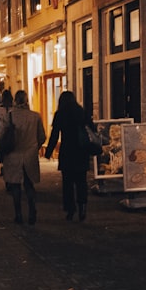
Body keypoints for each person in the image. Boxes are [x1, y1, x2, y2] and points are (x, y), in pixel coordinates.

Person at [44, 90, 96, 222]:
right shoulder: (81, 111)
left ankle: (70, 209)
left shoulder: (60, 114)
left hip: (67, 151)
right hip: (81, 151)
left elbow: (55, 134)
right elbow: (92, 128)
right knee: (81, 181)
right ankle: (83, 206)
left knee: (67, 183)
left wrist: (49, 151)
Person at [0, 90, 46, 225]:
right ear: (26, 100)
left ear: (15, 100)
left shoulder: (10, 116)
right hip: (30, 155)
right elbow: (42, 136)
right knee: (29, 185)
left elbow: (2, 135)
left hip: (13, 155)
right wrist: (34, 146)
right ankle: (32, 211)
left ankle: (18, 214)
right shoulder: (35, 116)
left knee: (15, 187)